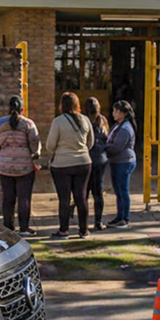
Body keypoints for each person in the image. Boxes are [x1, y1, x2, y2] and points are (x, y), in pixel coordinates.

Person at [45, 92, 93, 239]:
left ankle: (64, 230)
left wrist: (59, 151)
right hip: (84, 162)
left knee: (64, 198)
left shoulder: (58, 121)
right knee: (81, 197)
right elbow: (91, 142)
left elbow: (50, 145)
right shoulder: (85, 120)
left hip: (62, 164)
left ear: (62, 105)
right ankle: (84, 230)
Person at [0, 95, 41, 236]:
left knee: (8, 198)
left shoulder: (2, 125)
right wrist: (35, 154)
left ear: (9, 109)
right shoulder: (28, 124)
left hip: (5, 166)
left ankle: (8, 227)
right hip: (24, 167)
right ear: (23, 109)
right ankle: (24, 228)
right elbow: (34, 143)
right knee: (24, 197)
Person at [106, 100, 138, 227]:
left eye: (116, 111)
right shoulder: (118, 125)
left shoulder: (125, 128)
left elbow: (116, 147)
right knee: (118, 190)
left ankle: (125, 217)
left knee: (123, 190)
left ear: (123, 113)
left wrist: (104, 147)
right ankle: (119, 216)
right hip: (116, 161)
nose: (113, 113)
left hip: (124, 162)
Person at [84, 97, 110, 231]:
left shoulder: (82, 121)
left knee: (84, 192)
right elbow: (108, 138)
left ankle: (84, 224)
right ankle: (98, 221)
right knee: (98, 192)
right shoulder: (103, 121)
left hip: (86, 159)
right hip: (100, 160)